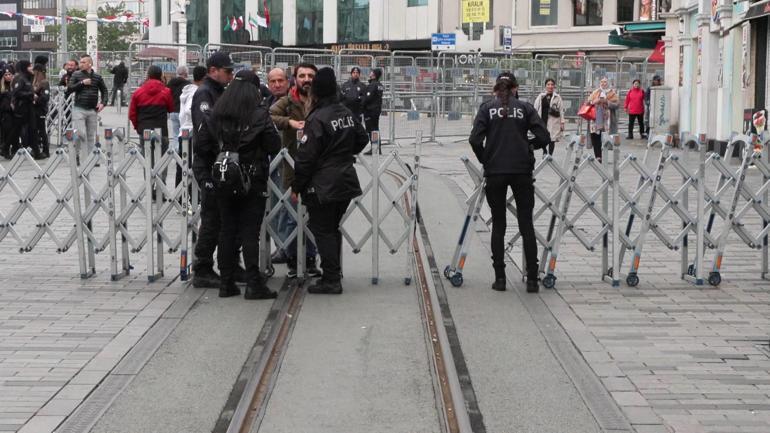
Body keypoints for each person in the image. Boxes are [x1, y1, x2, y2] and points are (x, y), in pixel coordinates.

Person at [469, 72, 550, 293]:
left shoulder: (487, 108)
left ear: (496, 89)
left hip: (495, 171)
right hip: (522, 170)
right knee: (526, 224)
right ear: (515, 88)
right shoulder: (525, 108)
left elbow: (474, 139)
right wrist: (528, 145)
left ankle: (500, 278)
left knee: (499, 224)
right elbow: (544, 136)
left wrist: (486, 157)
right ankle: (532, 279)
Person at [293, 67, 369, 294]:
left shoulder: (317, 118)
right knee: (331, 227)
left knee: (322, 229)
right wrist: (344, 154)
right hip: (345, 178)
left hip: (323, 183)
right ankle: (333, 273)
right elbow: (363, 137)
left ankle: (331, 279)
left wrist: (297, 186)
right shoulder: (345, 112)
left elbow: (305, 158)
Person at [209, 69, 281, 299]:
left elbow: (208, 142)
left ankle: (226, 283)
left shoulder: (219, 110)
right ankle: (253, 283)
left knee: (227, 230)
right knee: (250, 231)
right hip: (252, 177)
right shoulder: (259, 113)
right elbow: (273, 144)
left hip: (224, 175)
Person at [270, 63, 321, 278]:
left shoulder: (322, 100)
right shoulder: (288, 101)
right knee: (291, 216)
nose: (306, 79)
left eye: (310, 75)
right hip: (292, 166)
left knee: (313, 216)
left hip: (318, 169)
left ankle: (310, 259)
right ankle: (292, 259)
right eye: (302, 75)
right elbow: (269, 116)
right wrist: (289, 122)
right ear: (295, 78)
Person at [191, 52, 235, 288]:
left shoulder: (219, 91)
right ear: (213, 70)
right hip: (208, 161)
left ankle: (228, 263)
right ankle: (203, 268)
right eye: (227, 71)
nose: (230, 75)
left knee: (225, 215)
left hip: (220, 159)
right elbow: (209, 125)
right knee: (212, 217)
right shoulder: (205, 93)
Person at [264, 67, 291, 265]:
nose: (277, 84)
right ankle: (281, 245)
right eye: (273, 81)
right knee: (273, 206)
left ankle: (287, 247)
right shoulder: (266, 102)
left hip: (289, 164)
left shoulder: (293, 102)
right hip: (271, 161)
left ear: (287, 82)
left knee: (287, 207)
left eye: (280, 80)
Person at [128, 65, 174, 171]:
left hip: (144, 130)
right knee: (162, 160)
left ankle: (148, 183)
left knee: (147, 160)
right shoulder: (166, 92)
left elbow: (132, 114)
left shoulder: (138, 92)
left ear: (148, 76)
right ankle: (161, 184)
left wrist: (138, 127)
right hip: (161, 130)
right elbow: (171, 109)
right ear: (161, 76)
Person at [66, 55, 108, 163]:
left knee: (90, 136)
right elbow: (69, 89)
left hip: (92, 110)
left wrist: (103, 103)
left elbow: (104, 90)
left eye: (83, 62)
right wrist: (81, 83)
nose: (81, 64)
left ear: (90, 64)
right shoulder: (76, 74)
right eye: (80, 62)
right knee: (80, 133)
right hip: (79, 108)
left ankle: (90, 159)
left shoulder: (97, 77)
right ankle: (76, 154)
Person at [176, 65, 206, 187]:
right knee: (187, 166)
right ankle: (185, 195)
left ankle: (180, 193)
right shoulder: (195, 92)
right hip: (190, 133)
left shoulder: (189, 90)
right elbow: (189, 109)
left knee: (183, 165)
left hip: (184, 130)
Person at [586, 77, 619, 162]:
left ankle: (603, 154)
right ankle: (598, 156)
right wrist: (594, 101)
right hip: (595, 117)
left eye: (605, 82)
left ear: (608, 83)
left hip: (607, 119)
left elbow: (617, 104)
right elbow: (588, 102)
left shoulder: (612, 93)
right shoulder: (596, 92)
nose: (603, 84)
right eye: (602, 82)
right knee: (595, 135)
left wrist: (607, 102)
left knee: (605, 136)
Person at [532, 78, 565, 157]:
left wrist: (562, 122)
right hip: (542, 120)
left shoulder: (557, 97)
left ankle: (550, 155)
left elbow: (561, 110)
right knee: (543, 137)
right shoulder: (541, 96)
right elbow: (535, 108)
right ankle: (545, 151)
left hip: (553, 121)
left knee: (552, 139)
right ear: (545, 86)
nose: (550, 86)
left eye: (552, 85)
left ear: (554, 86)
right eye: (548, 84)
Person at [10, 60, 36, 158]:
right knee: (20, 129)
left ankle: (27, 148)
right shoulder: (20, 78)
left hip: (28, 106)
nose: (31, 67)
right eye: (30, 66)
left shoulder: (27, 77)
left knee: (28, 128)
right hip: (21, 107)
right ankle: (14, 148)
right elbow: (16, 93)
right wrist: (30, 94)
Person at [362, 68, 384, 155]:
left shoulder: (372, 85)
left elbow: (367, 98)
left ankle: (374, 148)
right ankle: (377, 148)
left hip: (370, 110)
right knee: (375, 129)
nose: (370, 73)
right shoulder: (380, 85)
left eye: (371, 72)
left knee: (372, 130)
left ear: (374, 74)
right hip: (376, 110)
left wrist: (362, 105)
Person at [166, 65, 190, 141]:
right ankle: (183, 151)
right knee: (184, 134)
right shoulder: (188, 84)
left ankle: (175, 150)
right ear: (186, 73)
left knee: (175, 134)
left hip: (173, 111)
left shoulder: (170, 83)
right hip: (183, 112)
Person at [32, 63, 50, 159]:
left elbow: (45, 97)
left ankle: (46, 151)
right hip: (35, 109)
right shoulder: (35, 82)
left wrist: (36, 99)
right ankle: (37, 149)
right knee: (35, 130)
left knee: (42, 130)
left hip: (41, 109)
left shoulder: (44, 82)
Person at [0, 65, 15, 159]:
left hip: (14, 113)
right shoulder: (2, 88)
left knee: (12, 133)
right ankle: (5, 150)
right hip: (5, 114)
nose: (8, 76)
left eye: (9, 74)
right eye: (6, 74)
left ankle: (8, 149)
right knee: (6, 132)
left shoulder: (14, 86)